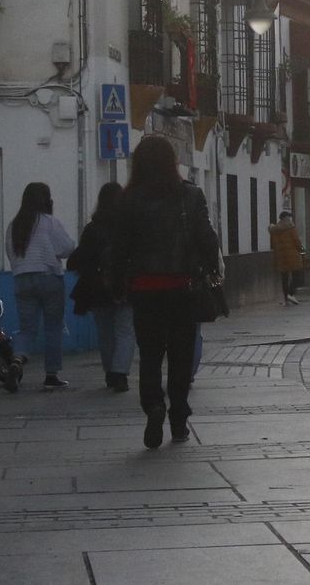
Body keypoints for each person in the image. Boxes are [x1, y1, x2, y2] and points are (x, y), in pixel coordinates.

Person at [109, 137, 219, 448]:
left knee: (150, 355)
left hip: (145, 290)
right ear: (173, 162)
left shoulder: (129, 200)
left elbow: (118, 250)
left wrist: (118, 285)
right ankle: (179, 418)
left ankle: (154, 406)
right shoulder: (190, 195)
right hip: (182, 288)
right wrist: (213, 271)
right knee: (181, 356)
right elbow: (208, 240)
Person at [6, 181, 76, 389]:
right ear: (46, 199)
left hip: (21, 279)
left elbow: (11, 253)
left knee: (26, 329)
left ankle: (17, 360)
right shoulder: (49, 222)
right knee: (53, 327)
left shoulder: (14, 225)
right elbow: (67, 247)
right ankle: (51, 375)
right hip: (48, 278)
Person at [68, 182, 133, 392]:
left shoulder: (92, 229)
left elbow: (80, 259)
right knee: (125, 332)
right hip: (125, 286)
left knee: (105, 334)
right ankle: (120, 373)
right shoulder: (127, 227)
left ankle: (110, 373)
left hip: (98, 290)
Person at [269, 212, 305, 305]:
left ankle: (286, 299)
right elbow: (296, 240)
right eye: (289, 217)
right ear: (286, 218)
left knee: (284, 277)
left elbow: (273, 244)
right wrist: (301, 249)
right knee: (297, 274)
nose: (290, 219)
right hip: (292, 255)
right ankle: (291, 293)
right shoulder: (290, 228)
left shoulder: (274, 230)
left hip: (280, 256)